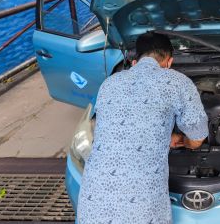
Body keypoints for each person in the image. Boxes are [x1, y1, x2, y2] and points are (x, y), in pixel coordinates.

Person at [77, 32, 208, 224]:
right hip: (141, 204)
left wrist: (162, 135)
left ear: (135, 61)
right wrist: (182, 141)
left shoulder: (109, 83)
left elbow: (110, 125)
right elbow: (197, 140)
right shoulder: (178, 82)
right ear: (169, 62)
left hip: (93, 198)